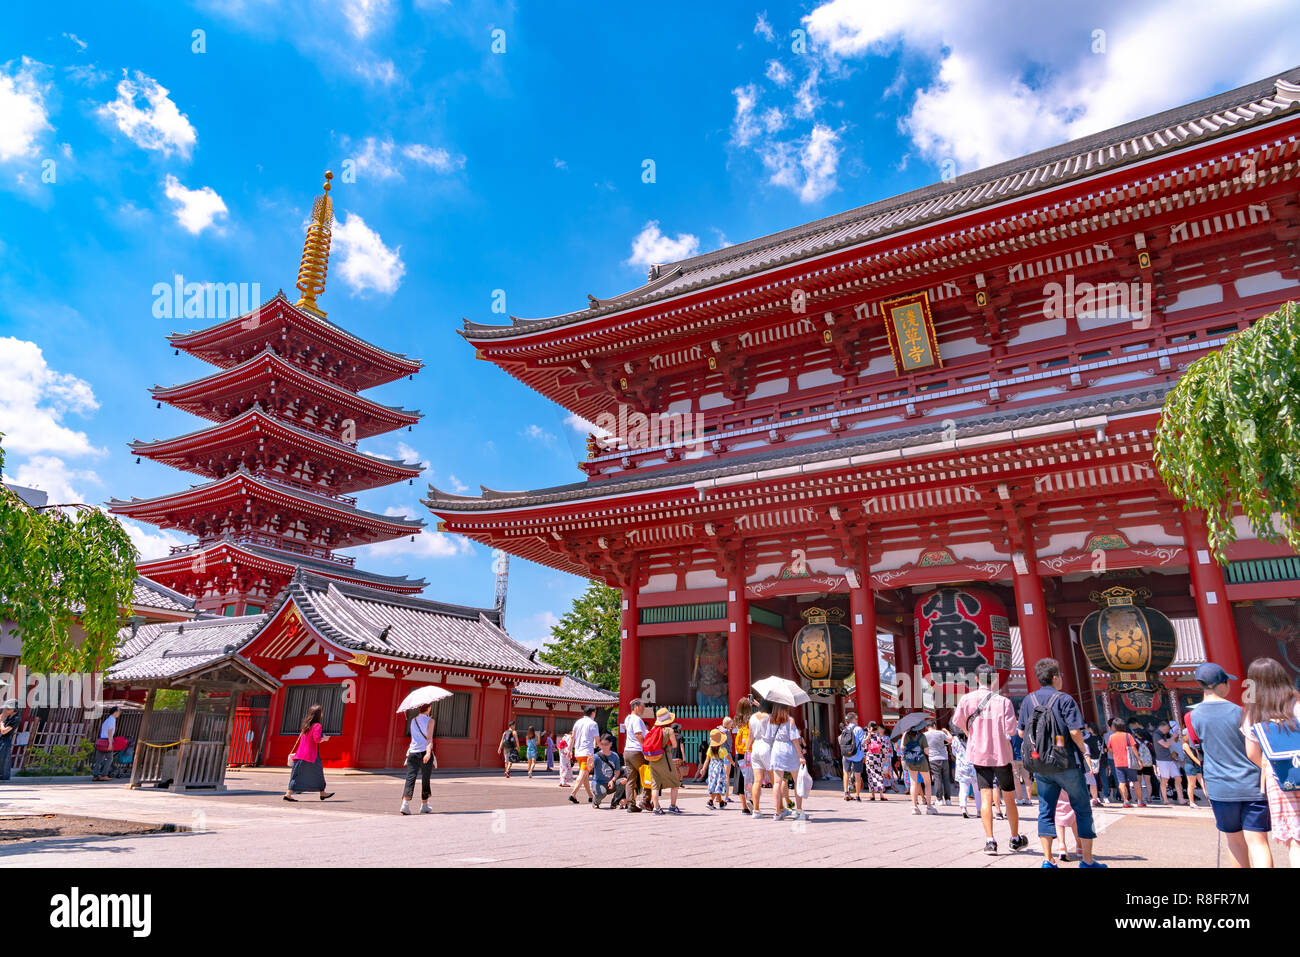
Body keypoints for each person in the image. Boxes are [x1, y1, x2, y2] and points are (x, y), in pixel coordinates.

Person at [1018, 658, 1104, 868]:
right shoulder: (1065, 700)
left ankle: (1048, 860)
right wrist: (1084, 751)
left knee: (1046, 810)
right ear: (1055, 677)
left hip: (1041, 766)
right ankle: (1088, 861)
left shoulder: (1029, 701)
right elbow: (1075, 731)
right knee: (1082, 809)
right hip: (1067, 763)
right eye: (1061, 676)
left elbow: (1021, 732)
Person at [1186, 662, 1272, 867]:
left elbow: (1198, 746)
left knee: (1234, 842)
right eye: (1227, 682)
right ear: (1221, 684)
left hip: (1220, 787)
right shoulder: (1241, 712)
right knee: (1258, 843)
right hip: (1251, 785)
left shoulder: (1192, 717)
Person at [952, 664, 1028, 855]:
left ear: (976, 679)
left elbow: (958, 723)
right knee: (1008, 797)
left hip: (979, 754)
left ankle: (990, 841)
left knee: (985, 797)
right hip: (1001, 754)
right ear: (994, 679)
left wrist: (971, 733)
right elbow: (1011, 730)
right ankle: (1014, 838)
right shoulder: (1003, 702)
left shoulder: (967, 699)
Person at [1242, 656, 1300, 869]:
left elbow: (1252, 753)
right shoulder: (1297, 702)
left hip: (1279, 779)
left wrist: (1274, 765)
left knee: (1296, 841)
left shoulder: (1253, 711)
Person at [284, 703, 334, 801]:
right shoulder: (317, 726)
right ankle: (322, 793)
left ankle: (288, 794)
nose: (322, 714)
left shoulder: (305, 725)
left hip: (300, 754)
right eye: (321, 712)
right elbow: (316, 739)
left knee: (296, 774)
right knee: (318, 773)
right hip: (311, 755)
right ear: (318, 714)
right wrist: (324, 739)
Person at [767, 703, 806, 821]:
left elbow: (768, 737)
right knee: (797, 780)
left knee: (777, 782)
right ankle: (798, 810)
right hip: (789, 749)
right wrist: (801, 756)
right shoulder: (790, 720)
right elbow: (795, 740)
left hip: (776, 750)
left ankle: (777, 812)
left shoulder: (771, 720)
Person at [644, 707, 682, 814]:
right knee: (675, 783)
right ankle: (673, 806)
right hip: (665, 759)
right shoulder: (669, 730)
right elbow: (674, 745)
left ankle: (656, 808)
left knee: (655, 785)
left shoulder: (652, 730)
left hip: (653, 759)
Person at [400, 703, 436, 815]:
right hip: (424, 752)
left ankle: (404, 805)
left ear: (419, 708)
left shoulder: (413, 720)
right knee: (425, 779)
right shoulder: (431, 721)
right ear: (429, 708)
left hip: (412, 752)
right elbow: (429, 739)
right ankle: (424, 805)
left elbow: (414, 737)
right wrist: (428, 753)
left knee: (410, 778)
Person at [622, 698, 650, 813]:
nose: (644, 709)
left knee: (630, 779)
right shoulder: (637, 719)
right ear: (636, 707)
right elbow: (638, 735)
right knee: (647, 774)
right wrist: (645, 746)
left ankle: (631, 804)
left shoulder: (628, 718)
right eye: (643, 707)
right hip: (637, 751)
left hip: (627, 751)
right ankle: (646, 800)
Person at [1106, 718, 1142, 807]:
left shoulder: (1111, 737)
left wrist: (1115, 756)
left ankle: (1125, 801)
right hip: (1130, 762)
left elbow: (1110, 749)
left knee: (1121, 782)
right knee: (1135, 781)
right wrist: (1138, 760)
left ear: (1114, 726)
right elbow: (1133, 748)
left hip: (1118, 763)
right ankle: (1140, 802)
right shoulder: (1127, 735)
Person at [901, 726, 936, 815]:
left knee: (913, 783)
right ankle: (928, 806)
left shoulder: (906, 736)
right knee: (927, 782)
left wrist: (904, 734)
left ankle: (915, 807)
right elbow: (926, 751)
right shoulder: (922, 736)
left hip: (910, 761)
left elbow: (902, 748)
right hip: (921, 761)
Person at [569, 706, 600, 804]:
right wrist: (602, 748)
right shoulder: (593, 724)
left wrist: (570, 750)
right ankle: (573, 794)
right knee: (582, 773)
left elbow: (572, 737)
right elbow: (597, 739)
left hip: (578, 751)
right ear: (592, 713)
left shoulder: (578, 722)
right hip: (587, 752)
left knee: (585, 775)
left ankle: (591, 796)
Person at [749, 700, 773, 819]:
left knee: (757, 781)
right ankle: (779, 808)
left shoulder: (752, 717)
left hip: (755, 747)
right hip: (767, 746)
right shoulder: (769, 717)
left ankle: (756, 810)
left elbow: (750, 735)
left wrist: (748, 750)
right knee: (775, 780)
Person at [1153, 720, 1185, 805]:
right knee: (1164, 780)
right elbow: (1166, 745)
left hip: (1169, 759)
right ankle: (1165, 800)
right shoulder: (1156, 734)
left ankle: (1181, 799)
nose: (1167, 731)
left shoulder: (1161, 734)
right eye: (1167, 729)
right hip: (1162, 760)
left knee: (1178, 777)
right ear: (1162, 727)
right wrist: (1173, 737)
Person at [923, 719, 953, 804]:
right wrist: (947, 731)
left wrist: (929, 754)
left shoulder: (924, 735)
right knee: (946, 779)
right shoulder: (940, 733)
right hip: (944, 758)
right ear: (934, 725)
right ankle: (948, 799)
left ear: (926, 727)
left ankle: (939, 799)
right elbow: (950, 740)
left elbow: (925, 750)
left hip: (933, 758)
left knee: (937, 779)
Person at [591, 733, 625, 809]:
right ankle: (596, 801)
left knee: (622, 781)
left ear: (610, 744)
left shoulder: (615, 756)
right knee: (601, 793)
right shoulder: (596, 756)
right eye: (602, 744)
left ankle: (614, 802)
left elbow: (617, 771)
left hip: (610, 783)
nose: (603, 746)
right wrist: (589, 763)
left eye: (606, 744)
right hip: (598, 783)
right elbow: (590, 768)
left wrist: (613, 780)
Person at [733, 697, 754, 813]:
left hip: (739, 753)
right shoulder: (752, 720)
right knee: (751, 777)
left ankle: (744, 807)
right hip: (750, 752)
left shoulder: (736, 720)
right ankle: (752, 800)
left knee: (740, 779)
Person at [703, 728, 733, 809]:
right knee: (718, 786)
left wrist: (703, 769)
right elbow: (728, 758)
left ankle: (721, 803)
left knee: (714, 785)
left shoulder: (710, 749)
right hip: (719, 769)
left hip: (712, 769)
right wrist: (733, 763)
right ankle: (710, 801)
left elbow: (706, 760)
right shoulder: (722, 749)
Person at [839, 710, 866, 802]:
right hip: (857, 754)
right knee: (857, 775)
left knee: (846, 772)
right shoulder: (858, 729)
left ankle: (846, 792)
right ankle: (858, 795)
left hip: (847, 754)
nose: (857, 720)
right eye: (856, 718)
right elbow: (863, 742)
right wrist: (869, 735)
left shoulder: (845, 729)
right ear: (854, 719)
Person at [1181, 714, 1206, 809]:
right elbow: (1192, 756)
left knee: (1203, 783)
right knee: (1191, 785)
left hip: (1196, 765)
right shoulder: (1185, 745)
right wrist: (1200, 763)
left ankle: (1210, 800)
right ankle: (1191, 802)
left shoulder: (1193, 743)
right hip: (1190, 765)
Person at [91, 706, 121, 781]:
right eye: (119, 712)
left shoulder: (107, 720)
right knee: (110, 758)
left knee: (99, 759)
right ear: (115, 712)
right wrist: (110, 743)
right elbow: (110, 732)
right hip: (107, 741)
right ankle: (104, 774)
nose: (119, 713)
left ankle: (95, 775)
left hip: (101, 740)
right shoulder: (112, 720)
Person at [864, 721, 889, 800]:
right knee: (879, 776)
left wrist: (868, 734)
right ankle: (881, 794)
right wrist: (885, 756)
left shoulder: (867, 737)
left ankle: (872, 794)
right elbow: (884, 748)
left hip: (870, 758)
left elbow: (864, 748)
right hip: (878, 758)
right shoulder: (879, 737)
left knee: (871, 776)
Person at [1009, 730, 1033, 805]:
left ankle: (1019, 798)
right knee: (1027, 779)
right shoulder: (1024, 732)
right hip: (1024, 758)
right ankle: (1028, 799)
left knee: (1016, 779)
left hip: (1014, 758)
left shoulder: (1011, 733)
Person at [0, 700, 19, 781]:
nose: (6, 710)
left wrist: (1, 723)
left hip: (6, 739)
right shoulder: (8, 716)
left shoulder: (16, 718)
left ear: (14, 709)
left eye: (8, 708)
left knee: (3, 758)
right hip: (1, 738)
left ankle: (3, 777)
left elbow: (4, 731)